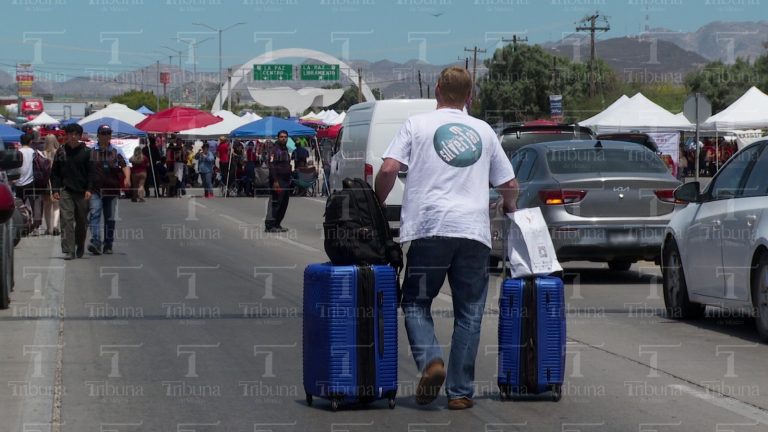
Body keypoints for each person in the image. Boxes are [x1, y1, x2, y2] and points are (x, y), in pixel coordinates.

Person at [374, 66, 518, 410]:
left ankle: (431, 361)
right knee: (469, 312)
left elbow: (390, 168)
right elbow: (510, 185)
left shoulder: (416, 124)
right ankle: (460, 392)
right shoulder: (484, 131)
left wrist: (377, 204)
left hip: (430, 229)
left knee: (415, 303)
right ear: (470, 96)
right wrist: (509, 207)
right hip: (473, 232)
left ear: (437, 90)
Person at [50, 123, 92, 260]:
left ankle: (80, 244)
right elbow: (55, 173)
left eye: (76, 134)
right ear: (66, 135)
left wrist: (89, 189)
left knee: (81, 222)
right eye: (70, 134)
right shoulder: (61, 151)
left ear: (80, 136)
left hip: (82, 192)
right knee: (66, 220)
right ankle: (69, 249)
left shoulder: (86, 152)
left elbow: (93, 174)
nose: (73, 137)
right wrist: (55, 189)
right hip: (66, 190)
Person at [87, 124, 130, 255]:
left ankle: (108, 244)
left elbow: (125, 164)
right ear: (98, 135)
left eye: (108, 133)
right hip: (95, 189)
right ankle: (96, 242)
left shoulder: (117, 151)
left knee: (110, 218)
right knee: (95, 214)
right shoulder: (91, 151)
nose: (106, 136)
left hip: (111, 189)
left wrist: (127, 177)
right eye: (103, 133)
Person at [264, 130, 292, 232]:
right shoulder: (274, 150)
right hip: (277, 180)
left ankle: (277, 224)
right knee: (275, 203)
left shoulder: (285, 150)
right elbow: (271, 166)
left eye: (285, 137)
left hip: (286, 181)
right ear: (278, 138)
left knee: (284, 203)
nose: (283, 138)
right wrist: (275, 181)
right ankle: (270, 226)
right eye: (281, 137)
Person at [42, 134, 60, 235]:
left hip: (45, 183)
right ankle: (55, 226)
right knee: (56, 206)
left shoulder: (42, 153)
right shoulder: (59, 153)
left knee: (47, 206)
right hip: (56, 182)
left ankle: (48, 228)